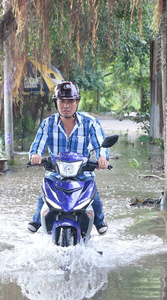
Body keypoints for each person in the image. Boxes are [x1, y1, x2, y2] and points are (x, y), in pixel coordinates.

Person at [28, 81, 109, 234]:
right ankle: (38, 220)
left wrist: (102, 158)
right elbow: (38, 143)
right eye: (62, 101)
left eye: (70, 101)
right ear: (56, 102)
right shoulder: (48, 123)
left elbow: (100, 144)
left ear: (77, 102)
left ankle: (99, 221)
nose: (66, 105)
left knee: (95, 197)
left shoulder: (90, 122)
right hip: (55, 173)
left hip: (82, 173)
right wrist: (35, 155)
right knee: (43, 196)